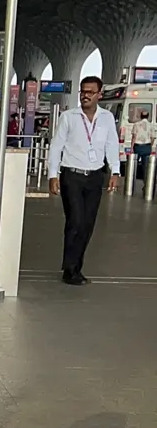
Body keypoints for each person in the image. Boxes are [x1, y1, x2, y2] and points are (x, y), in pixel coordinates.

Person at [48, 75, 120, 286]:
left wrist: (115, 171)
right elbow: (56, 146)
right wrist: (53, 174)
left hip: (95, 176)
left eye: (90, 92)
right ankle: (69, 269)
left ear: (99, 95)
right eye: (83, 91)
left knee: (87, 224)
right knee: (76, 221)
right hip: (72, 175)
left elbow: (112, 145)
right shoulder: (69, 117)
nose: (85, 95)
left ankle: (76, 266)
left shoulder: (106, 118)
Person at [130, 108, 155, 184]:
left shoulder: (136, 125)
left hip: (138, 147)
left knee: (133, 165)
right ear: (148, 116)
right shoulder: (151, 125)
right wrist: (150, 145)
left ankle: (131, 182)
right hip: (147, 147)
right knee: (146, 166)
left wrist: (131, 148)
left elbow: (134, 137)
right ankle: (146, 184)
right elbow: (153, 137)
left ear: (141, 116)